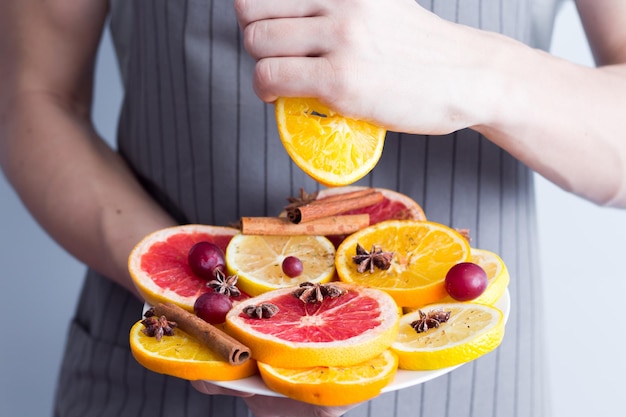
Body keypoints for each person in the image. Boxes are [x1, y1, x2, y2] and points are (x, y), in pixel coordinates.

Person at [0, 0, 624, 416]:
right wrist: (197, 302)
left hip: (472, 382)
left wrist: (479, 74)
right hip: (166, 376)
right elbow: (33, 93)